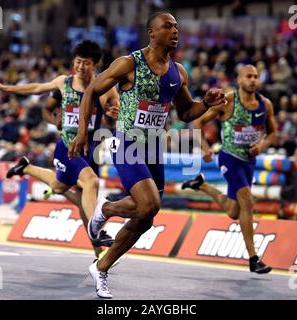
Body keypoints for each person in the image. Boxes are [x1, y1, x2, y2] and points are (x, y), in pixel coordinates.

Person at [70, 12, 226, 299]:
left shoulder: (178, 72)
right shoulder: (129, 63)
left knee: (147, 217)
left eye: (177, 26)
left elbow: (186, 112)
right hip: (127, 142)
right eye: (168, 26)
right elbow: (91, 90)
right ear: (152, 33)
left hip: (154, 147)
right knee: (150, 203)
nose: (175, 30)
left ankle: (101, 266)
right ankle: (105, 210)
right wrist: (83, 131)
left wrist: (205, 103)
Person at [0, 40, 119, 257]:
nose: (80, 67)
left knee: (62, 188)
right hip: (68, 147)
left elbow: (117, 115)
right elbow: (36, 88)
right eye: (77, 62)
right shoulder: (63, 83)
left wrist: (113, 116)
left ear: (95, 65)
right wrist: (5, 88)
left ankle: (26, 168)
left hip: (91, 150)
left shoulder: (105, 87)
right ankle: (98, 239)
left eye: (85, 63)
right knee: (91, 184)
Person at [182, 65, 277, 274]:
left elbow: (272, 134)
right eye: (248, 76)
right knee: (247, 200)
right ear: (239, 79)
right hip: (229, 158)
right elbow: (197, 122)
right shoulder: (228, 101)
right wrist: (206, 148)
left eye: (256, 77)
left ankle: (202, 185)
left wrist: (262, 146)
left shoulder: (265, 104)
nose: (253, 80)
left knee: (234, 211)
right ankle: (254, 258)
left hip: (248, 162)